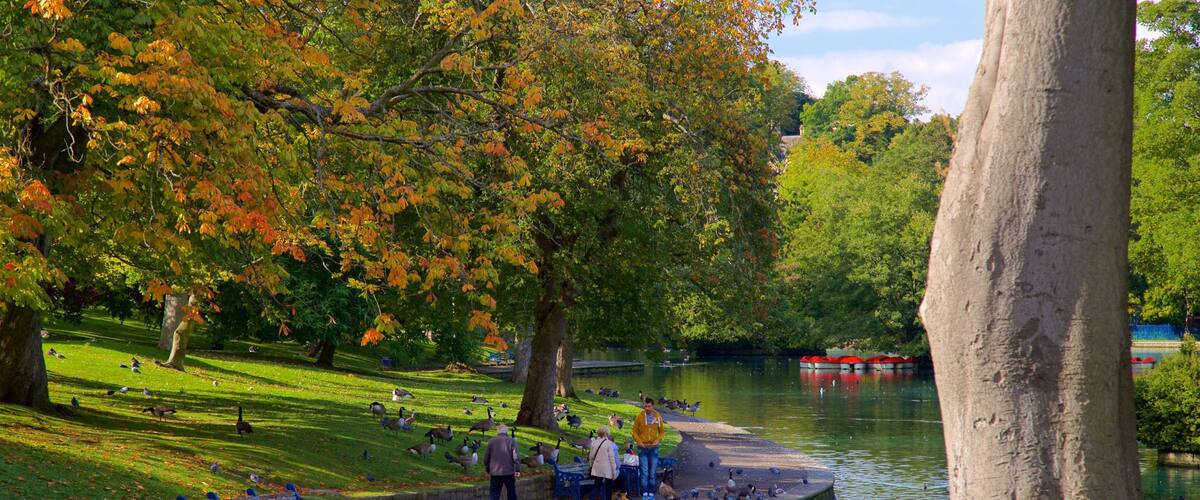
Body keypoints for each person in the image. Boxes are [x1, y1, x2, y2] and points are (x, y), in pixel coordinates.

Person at [632, 397, 666, 498]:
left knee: (652, 472)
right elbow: (634, 431)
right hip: (643, 447)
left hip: (654, 448)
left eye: (649, 406)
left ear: (653, 406)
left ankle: (651, 492)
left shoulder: (658, 416)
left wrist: (658, 440)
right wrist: (639, 441)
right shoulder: (640, 416)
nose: (647, 408)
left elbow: (662, 432)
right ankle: (644, 493)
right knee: (644, 472)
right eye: (645, 406)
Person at [483, 424, 521, 500]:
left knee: (494, 494)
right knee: (511, 493)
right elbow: (516, 456)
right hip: (509, 472)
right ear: (506, 431)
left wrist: (487, 468)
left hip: (495, 472)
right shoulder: (511, 441)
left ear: (498, 431)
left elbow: (486, 458)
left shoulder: (491, 441)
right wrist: (517, 469)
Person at [587, 426, 620, 498]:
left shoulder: (594, 443)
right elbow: (612, 458)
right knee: (608, 487)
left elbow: (591, 457)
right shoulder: (609, 443)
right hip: (607, 469)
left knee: (597, 486)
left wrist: (591, 465)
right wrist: (614, 471)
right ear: (607, 433)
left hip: (597, 468)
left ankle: (591, 497)